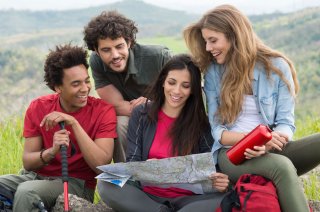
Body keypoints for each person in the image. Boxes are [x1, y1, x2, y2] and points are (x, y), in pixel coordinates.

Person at [183, 4, 320, 212]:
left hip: (270, 148)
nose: (208, 48)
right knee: (282, 167)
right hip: (232, 154)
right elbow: (218, 132)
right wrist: (253, 139)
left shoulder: (276, 66)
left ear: (234, 35)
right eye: (205, 41)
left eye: (213, 40)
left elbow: (285, 123)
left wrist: (268, 144)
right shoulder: (213, 73)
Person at [97, 54, 229, 212]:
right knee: (106, 184)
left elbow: (211, 166)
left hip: (190, 200)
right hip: (148, 197)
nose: (177, 91)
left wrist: (219, 180)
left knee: (225, 199)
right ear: (163, 82)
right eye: (172, 83)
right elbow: (132, 161)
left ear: (193, 90)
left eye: (185, 86)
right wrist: (144, 167)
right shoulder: (142, 113)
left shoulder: (202, 123)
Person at [0, 44, 117, 211]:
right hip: (34, 177)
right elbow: (28, 162)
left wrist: (74, 123)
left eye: (86, 81)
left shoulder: (103, 111)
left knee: (26, 193)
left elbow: (100, 163)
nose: (85, 89)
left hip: (76, 183)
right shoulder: (38, 107)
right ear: (58, 87)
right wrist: (51, 152)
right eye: (76, 84)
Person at [83, 11, 172, 163]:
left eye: (119, 46)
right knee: (119, 123)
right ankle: (128, 176)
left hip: (169, 115)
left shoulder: (159, 57)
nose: (115, 55)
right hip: (135, 118)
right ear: (96, 51)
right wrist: (145, 107)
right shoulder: (96, 62)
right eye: (106, 50)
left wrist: (155, 104)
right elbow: (116, 106)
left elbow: (188, 96)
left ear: (129, 42)